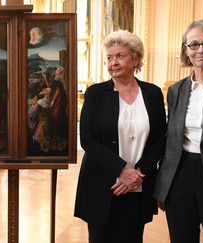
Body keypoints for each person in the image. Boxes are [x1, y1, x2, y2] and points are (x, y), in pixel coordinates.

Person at [74, 30, 166, 243]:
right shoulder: (95, 93)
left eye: (119, 56)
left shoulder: (152, 93)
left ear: (135, 59)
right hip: (102, 185)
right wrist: (122, 170)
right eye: (109, 57)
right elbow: (87, 139)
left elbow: (161, 138)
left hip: (139, 186)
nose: (113, 62)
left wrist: (138, 174)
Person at [154, 20, 203, 243]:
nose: (201, 50)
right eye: (194, 44)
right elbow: (171, 140)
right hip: (180, 174)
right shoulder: (176, 90)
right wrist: (164, 185)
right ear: (185, 50)